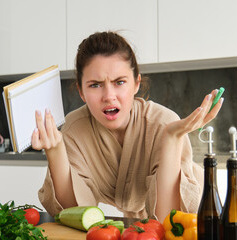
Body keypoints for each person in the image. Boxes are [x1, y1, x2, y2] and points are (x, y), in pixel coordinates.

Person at [34, 31, 223, 221]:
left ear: (136, 84)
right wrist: (55, 151)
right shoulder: (75, 129)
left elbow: (169, 219)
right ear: (81, 91)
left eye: (120, 82)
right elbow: (74, 213)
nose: (109, 96)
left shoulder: (163, 123)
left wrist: (172, 138)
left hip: (198, 212)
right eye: (95, 85)